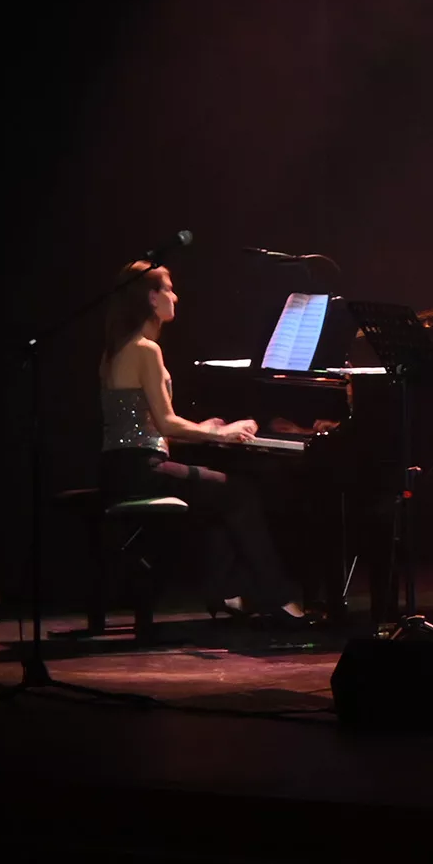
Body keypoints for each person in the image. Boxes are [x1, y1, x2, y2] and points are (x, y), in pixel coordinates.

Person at [99, 262, 308, 623]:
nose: (175, 296)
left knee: (220, 495)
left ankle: (229, 592)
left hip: (119, 468)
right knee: (239, 494)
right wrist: (219, 433)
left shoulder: (115, 350)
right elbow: (165, 423)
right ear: (151, 298)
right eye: (168, 288)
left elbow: (143, 425)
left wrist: (200, 427)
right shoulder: (146, 349)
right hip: (142, 471)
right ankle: (277, 597)